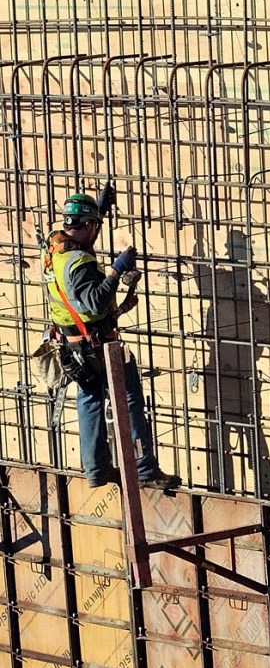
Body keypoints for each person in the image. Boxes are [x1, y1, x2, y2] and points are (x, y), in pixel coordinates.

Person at [42, 189, 180, 492]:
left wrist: (99, 211)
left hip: (72, 346)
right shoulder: (80, 263)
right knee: (129, 398)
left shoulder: (55, 247)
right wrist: (117, 270)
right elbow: (93, 302)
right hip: (97, 344)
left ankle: (96, 470)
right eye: (94, 225)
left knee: (89, 398)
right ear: (87, 225)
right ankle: (144, 469)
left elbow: (83, 236)